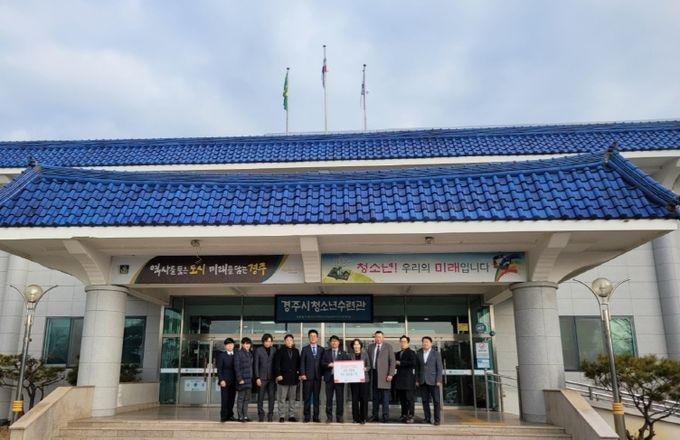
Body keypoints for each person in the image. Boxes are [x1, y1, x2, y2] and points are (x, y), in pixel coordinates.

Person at [367, 330, 395, 423]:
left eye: (380, 337)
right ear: (374, 338)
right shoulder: (370, 347)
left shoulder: (388, 346)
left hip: (385, 375)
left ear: (383, 338)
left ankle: (385, 416)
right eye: (376, 337)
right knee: (375, 397)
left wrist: (390, 374)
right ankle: (375, 415)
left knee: (385, 398)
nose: (378, 338)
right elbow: (367, 360)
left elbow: (392, 361)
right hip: (374, 374)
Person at [415, 336, 443, 425]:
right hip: (422, 381)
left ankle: (437, 419)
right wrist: (417, 380)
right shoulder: (419, 353)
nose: (425, 343)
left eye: (427, 342)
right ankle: (427, 418)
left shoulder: (436, 354)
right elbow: (417, 368)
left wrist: (438, 380)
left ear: (431, 343)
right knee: (424, 401)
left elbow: (439, 368)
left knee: (436, 401)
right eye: (424, 342)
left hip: (433, 381)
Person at [320, 335, 349, 423]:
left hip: (340, 379)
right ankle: (329, 417)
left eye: (336, 341)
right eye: (332, 341)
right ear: (330, 343)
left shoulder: (343, 353)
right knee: (329, 398)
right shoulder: (326, 352)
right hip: (329, 378)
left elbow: (347, 364)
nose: (334, 343)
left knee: (340, 398)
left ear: (338, 343)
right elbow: (322, 363)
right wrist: (328, 365)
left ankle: (339, 417)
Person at [273, 333, 300, 423]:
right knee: (282, 398)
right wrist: (278, 375)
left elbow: (298, 364)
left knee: (292, 399)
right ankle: (281, 415)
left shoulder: (296, 351)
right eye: (287, 340)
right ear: (285, 341)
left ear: (293, 341)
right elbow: (276, 364)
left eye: (291, 340)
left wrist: (299, 374)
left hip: (293, 379)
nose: (289, 341)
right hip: (283, 378)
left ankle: (291, 415)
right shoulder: (280, 351)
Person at [299, 329, 324, 423]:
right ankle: (307, 416)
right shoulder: (305, 349)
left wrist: (323, 374)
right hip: (307, 377)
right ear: (309, 338)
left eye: (314, 336)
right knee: (307, 397)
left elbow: (323, 363)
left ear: (317, 338)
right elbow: (302, 362)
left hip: (318, 377)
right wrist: (303, 374)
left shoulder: (321, 349)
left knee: (316, 398)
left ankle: (316, 416)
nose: (313, 337)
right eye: (311, 336)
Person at [254, 333, 277, 422]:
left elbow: (276, 364)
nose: (268, 343)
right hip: (262, 377)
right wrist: (257, 377)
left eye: (270, 341)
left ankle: (270, 415)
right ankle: (261, 414)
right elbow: (256, 365)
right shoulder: (258, 350)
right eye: (266, 341)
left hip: (272, 378)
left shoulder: (274, 350)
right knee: (260, 397)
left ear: (271, 342)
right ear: (263, 341)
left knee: (272, 397)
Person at [394, 335, 417, 423]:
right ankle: (403, 414)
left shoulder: (411, 352)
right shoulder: (398, 353)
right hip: (399, 379)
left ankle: (411, 415)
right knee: (402, 399)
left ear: (408, 343)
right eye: (401, 342)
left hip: (408, 380)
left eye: (404, 342)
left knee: (409, 399)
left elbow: (413, 363)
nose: (402, 343)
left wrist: (401, 363)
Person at [348, 338, 370, 424]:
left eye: (358, 344)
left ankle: (363, 418)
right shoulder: (350, 355)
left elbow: (369, 366)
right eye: (355, 344)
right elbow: (347, 366)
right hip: (354, 380)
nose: (356, 346)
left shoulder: (365, 354)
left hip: (364, 380)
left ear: (360, 345)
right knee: (355, 399)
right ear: (352, 346)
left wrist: (365, 368)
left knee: (364, 399)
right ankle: (355, 418)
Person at [216, 337, 237, 422]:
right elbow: (219, 369)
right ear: (225, 346)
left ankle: (230, 415)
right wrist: (221, 380)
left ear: (233, 345)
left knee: (231, 399)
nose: (230, 346)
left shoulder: (236, 355)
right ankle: (223, 416)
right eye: (228, 344)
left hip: (234, 381)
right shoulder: (222, 355)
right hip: (224, 381)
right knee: (224, 399)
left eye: (231, 344)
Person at [234, 337, 254, 422]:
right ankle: (240, 416)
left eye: (248, 343)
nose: (247, 345)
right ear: (242, 344)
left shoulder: (250, 353)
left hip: (249, 379)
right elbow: (237, 367)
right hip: (242, 380)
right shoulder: (239, 353)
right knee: (241, 398)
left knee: (246, 399)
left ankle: (245, 416)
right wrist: (239, 379)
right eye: (245, 344)